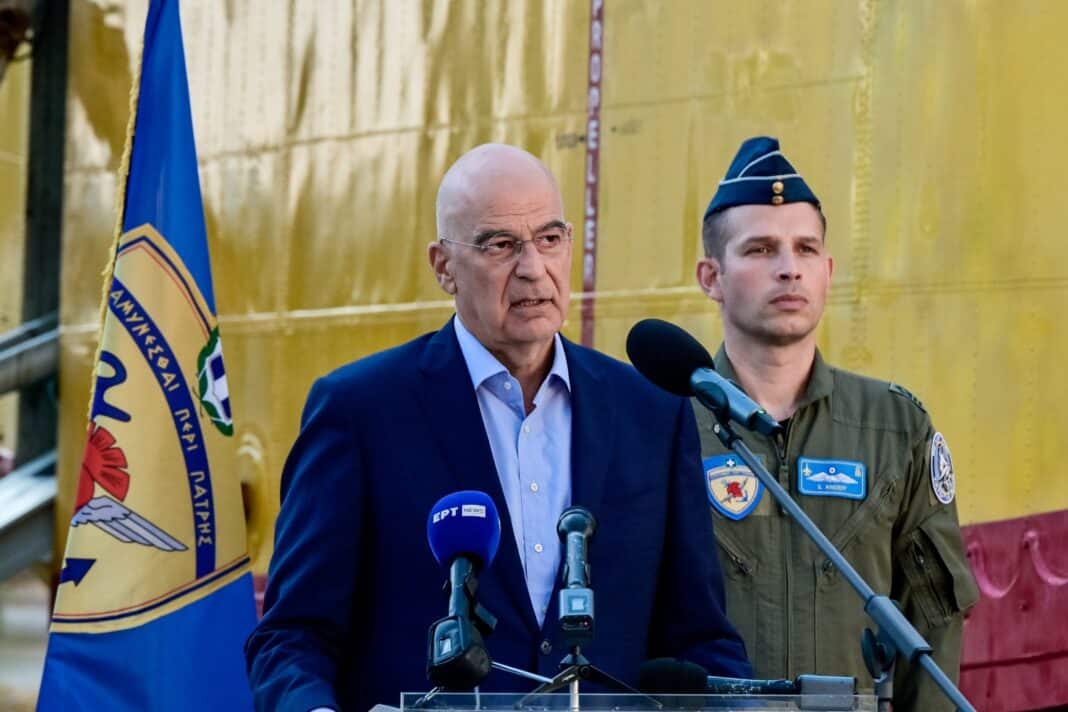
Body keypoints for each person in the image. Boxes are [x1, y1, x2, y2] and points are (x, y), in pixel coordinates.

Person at [245, 143, 751, 711]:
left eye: (550, 239)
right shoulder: (361, 411)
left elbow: (699, 638)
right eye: (500, 245)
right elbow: (292, 636)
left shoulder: (650, 411)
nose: (533, 268)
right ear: (444, 267)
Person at [692, 136, 980, 711]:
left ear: (827, 271)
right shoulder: (664, 423)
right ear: (711, 277)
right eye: (760, 250)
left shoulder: (894, 428)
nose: (788, 270)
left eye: (805, 249)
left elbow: (933, 619)